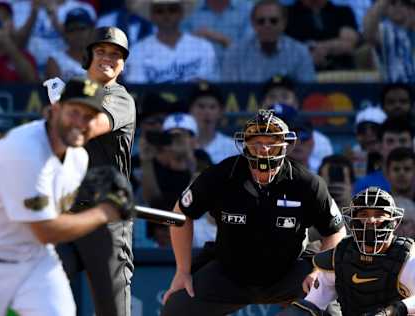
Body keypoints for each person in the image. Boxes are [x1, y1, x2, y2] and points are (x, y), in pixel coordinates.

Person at [0, 77, 134, 316]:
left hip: (33, 259)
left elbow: (55, 212)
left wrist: (92, 196)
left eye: (89, 116)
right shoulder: (25, 150)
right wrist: (105, 211)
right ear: (54, 110)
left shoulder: (78, 157)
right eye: (74, 112)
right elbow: (46, 231)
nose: (81, 123)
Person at [161, 109, 346, 316]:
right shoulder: (221, 175)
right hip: (228, 272)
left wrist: (319, 271)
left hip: (289, 270)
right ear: (245, 144)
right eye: (256, 142)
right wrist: (182, 271)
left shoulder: (307, 183)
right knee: (177, 306)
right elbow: (181, 213)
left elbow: (336, 231)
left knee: (331, 307)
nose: (264, 149)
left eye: (271, 142)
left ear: (285, 145)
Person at [49, 26, 137, 316]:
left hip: (108, 218)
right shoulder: (73, 95)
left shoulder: (119, 97)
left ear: (123, 65)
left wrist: (63, 111)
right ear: (88, 56)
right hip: (69, 212)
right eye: (101, 51)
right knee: (43, 289)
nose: (108, 59)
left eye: (116, 55)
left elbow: (91, 126)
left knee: (112, 310)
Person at [279, 186, 415, 315]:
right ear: (352, 221)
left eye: (379, 214)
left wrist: (395, 310)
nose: (371, 220)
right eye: (363, 214)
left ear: (394, 222)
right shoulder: (341, 255)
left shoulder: (407, 257)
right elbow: (315, 302)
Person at [221, 0, 316, 82]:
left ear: (284, 23)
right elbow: (230, 93)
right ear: (253, 24)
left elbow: (306, 92)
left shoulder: (300, 53)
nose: (267, 25)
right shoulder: (235, 53)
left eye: (273, 21)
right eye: (261, 21)